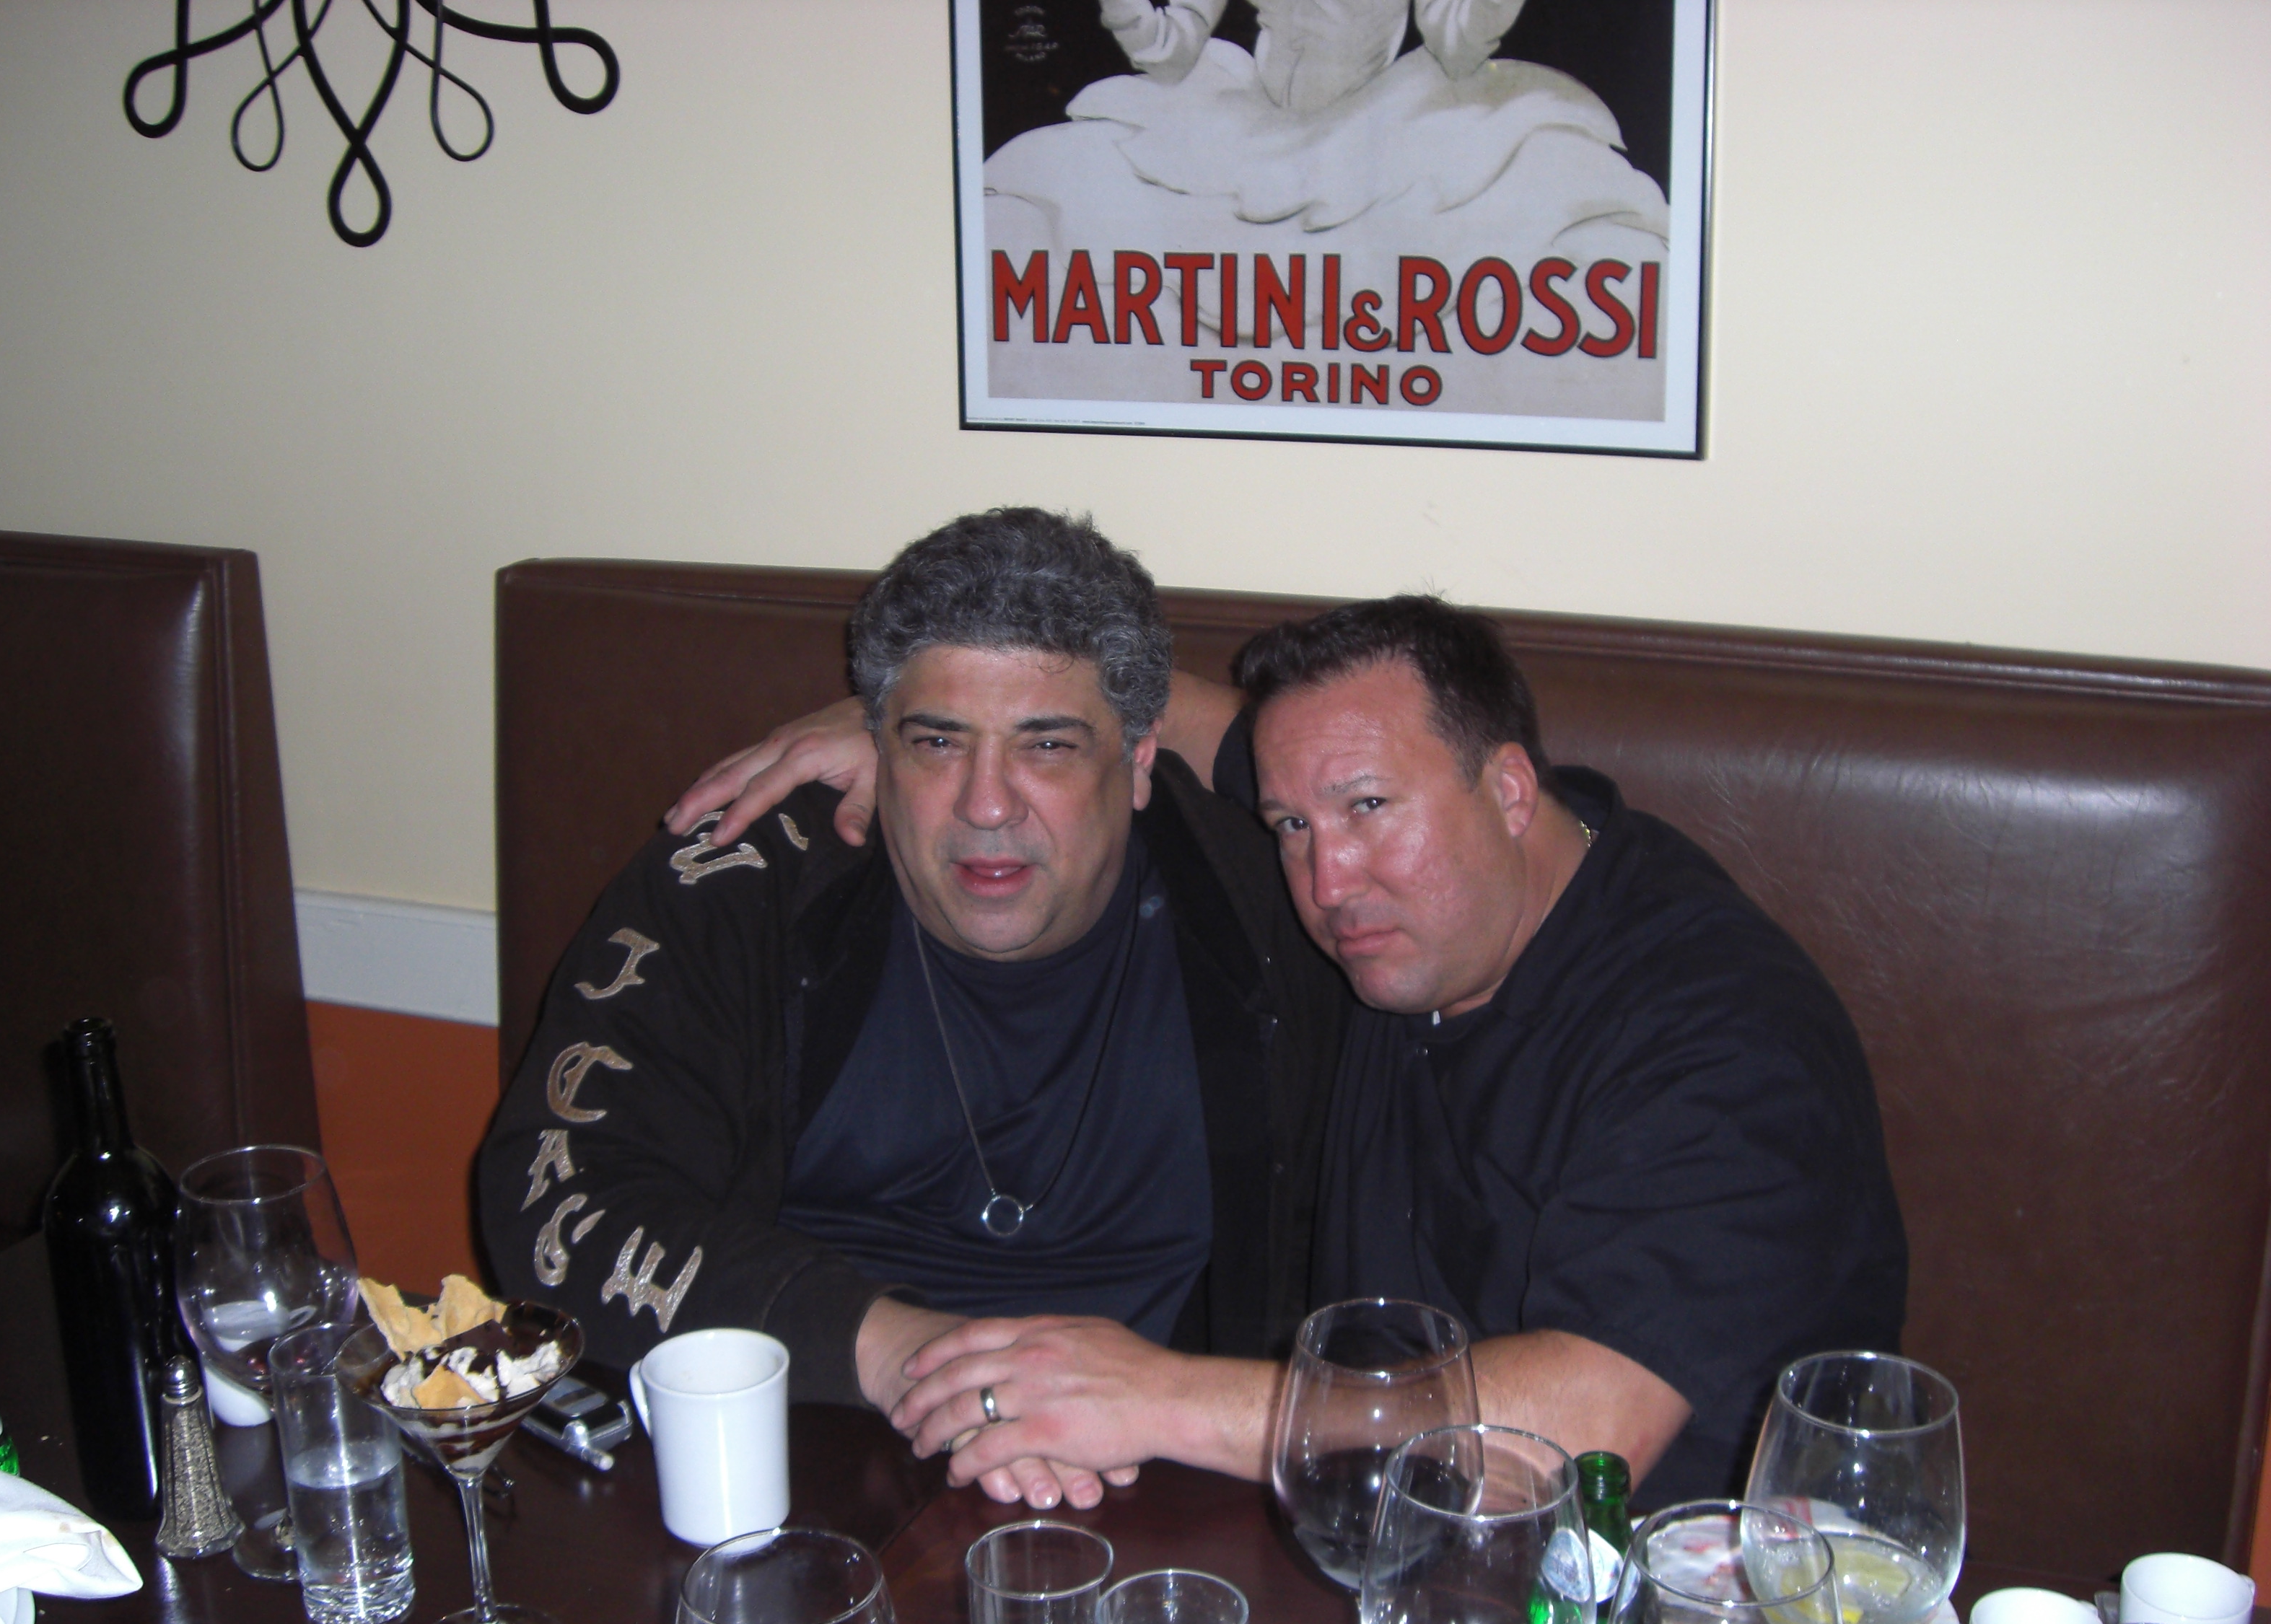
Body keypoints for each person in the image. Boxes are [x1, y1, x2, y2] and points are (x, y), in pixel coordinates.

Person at [690, 595, 1907, 1507]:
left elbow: (1584, 1430)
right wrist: (944, 740)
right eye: (1290, 825)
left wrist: (1155, 1395)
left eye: (1370, 809)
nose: (1328, 883)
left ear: (1510, 789)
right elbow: (1177, 716)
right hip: (1399, 1559)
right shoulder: (1436, 893)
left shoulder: (1718, 1031)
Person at [477, 508, 1346, 1510]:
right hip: (798, 1461)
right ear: (876, 741)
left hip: (1164, 1490)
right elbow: (555, 1199)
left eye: (1048, 746)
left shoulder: (1284, 900)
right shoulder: (738, 888)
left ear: (1142, 757)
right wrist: (902, 1354)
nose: (987, 804)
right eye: (937, 741)